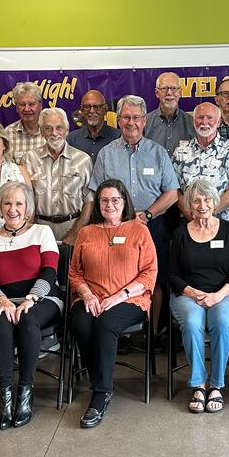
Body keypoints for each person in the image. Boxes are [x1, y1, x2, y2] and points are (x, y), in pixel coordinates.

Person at [68, 180, 158, 428]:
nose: (110, 205)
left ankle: (101, 392)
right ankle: (100, 376)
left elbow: (150, 273)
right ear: (98, 204)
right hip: (92, 296)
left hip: (130, 298)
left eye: (115, 200)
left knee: (106, 323)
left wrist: (118, 297)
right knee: (81, 322)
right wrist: (87, 295)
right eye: (104, 200)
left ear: (125, 202)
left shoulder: (139, 230)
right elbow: (75, 272)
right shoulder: (86, 232)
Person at [90, 95, 179, 337]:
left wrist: (148, 215)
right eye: (127, 117)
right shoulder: (107, 154)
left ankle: (153, 333)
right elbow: (95, 193)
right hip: (114, 228)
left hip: (152, 226)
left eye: (137, 117)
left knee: (155, 280)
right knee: (117, 279)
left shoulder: (158, 153)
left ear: (144, 121)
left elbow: (172, 194)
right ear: (118, 120)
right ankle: (123, 332)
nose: (132, 122)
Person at [0, 182, 63, 429]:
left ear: (27, 208)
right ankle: (5, 397)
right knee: (2, 322)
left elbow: (49, 271)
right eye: (7, 203)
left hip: (43, 299)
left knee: (27, 319)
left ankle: (25, 392)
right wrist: (2, 300)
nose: (12, 209)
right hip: (2, 300)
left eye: (18, 204)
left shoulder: (41, 232)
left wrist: (31, 299)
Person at [169, 179, 229, 414]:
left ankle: (217, 385)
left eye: (207, 199)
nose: (202, 205)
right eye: (196, 200)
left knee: (221, 321)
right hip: (187, 295)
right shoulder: (180, 233)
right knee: (192, 321)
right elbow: (171, 274)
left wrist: (218, 295)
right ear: (189, 205)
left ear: (215, 201)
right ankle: (199, 384)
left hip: (225, 295)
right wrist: (191, 292)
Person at [22, 107, 93, 245]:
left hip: (73, 226)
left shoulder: (83, 160)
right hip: (39, 228)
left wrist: (76, 232)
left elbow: (89, 201)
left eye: (59, 128)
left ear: (67, 130)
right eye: (48, 128)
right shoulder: (29, 159)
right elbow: (24, 200)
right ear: (42, 132)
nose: (54, 133)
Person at [172, 102, 229, 223]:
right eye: (200, 117)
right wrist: (189, 213)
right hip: (190, 221)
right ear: (193, 121)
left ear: (218, 122)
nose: (204, 122)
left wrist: (207, 213)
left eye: (210, 118)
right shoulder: (180, 151)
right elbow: (173, 189)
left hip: (224, 222)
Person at [144, 71, 195, 153]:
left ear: (180, 92)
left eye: (174, 88)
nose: (169, 93)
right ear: (157, 93)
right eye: (164, 88)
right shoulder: (145, 122)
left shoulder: (192, 123)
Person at [66, 89, 120, 162]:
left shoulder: (118, 137)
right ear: (82, 110)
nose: (91, 111)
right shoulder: (72, 139)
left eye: (96, 107)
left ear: (105, 109)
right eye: (87, 107)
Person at [4, 81, 45, 165]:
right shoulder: (8, 133)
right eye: (22, 104)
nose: (26, 109)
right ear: (16, 108)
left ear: (40, 106)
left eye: (31, 104)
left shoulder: (51, 131)